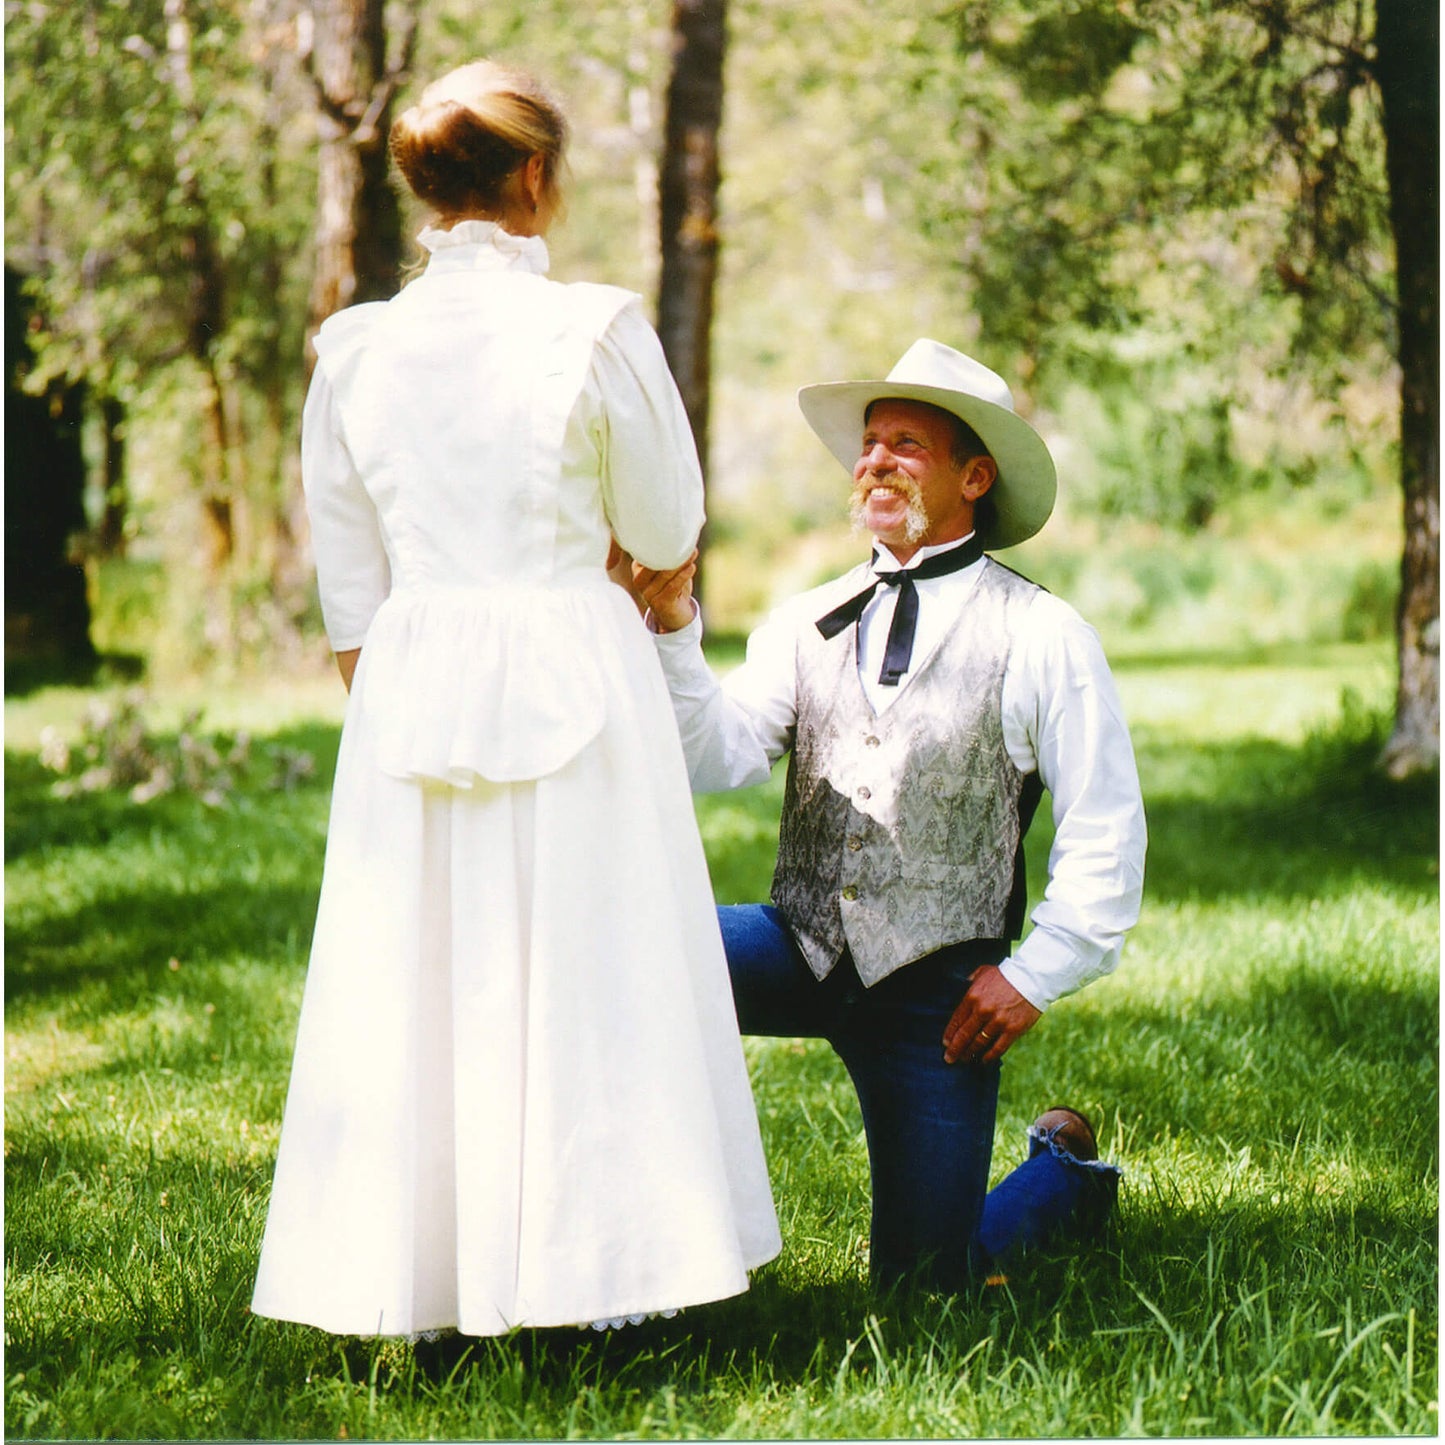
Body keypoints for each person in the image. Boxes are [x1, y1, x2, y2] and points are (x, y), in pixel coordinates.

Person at [251, 59, 779, 1340]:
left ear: (425, 187)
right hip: (572, 661)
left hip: (414, 670)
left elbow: (349, 580)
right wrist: (636, 562)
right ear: (537, 176)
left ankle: (425, 1282)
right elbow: (663, 519)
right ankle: (607, 1283)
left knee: (427, 964)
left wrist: (401, 706)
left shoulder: (356, 347)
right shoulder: (594, 329)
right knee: (590, 960)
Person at [632, 340, 1146, 1290]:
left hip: (938, 996)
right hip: (801, 943)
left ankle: (1062, 1179)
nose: (875, 460)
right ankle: (636, 1264)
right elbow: (720, 754)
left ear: (973, 476)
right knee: (624, 959)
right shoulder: (805, 618)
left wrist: (1031, 974)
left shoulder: (1041, 634)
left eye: (907, 443)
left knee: (925, 1293)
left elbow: (1104, 828)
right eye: (869, 443)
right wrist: (671, 625)